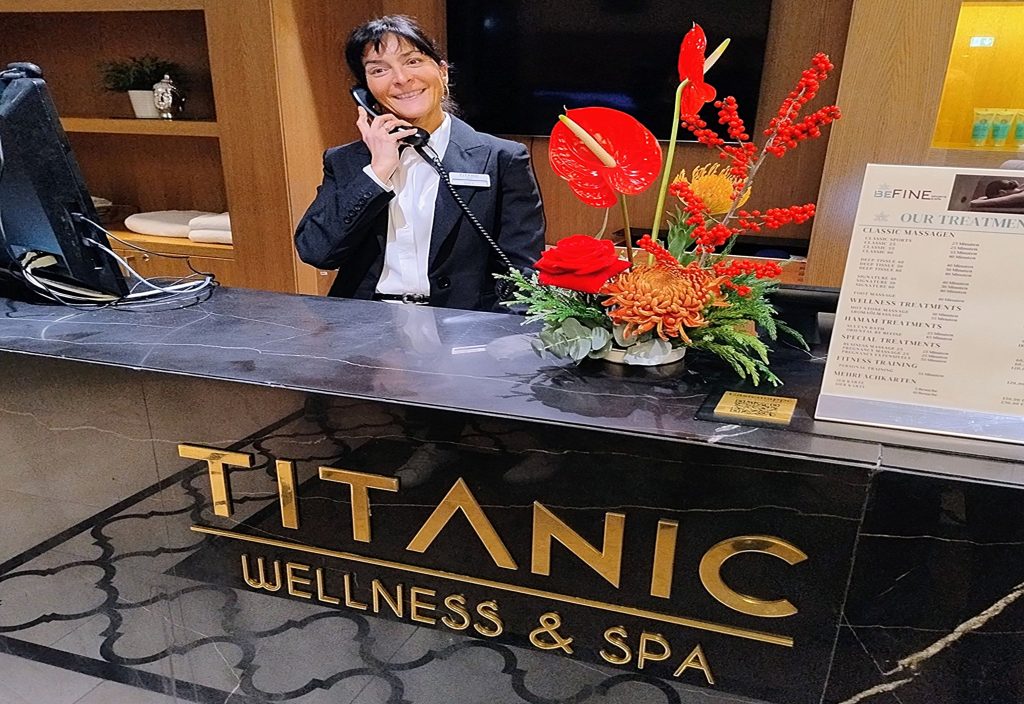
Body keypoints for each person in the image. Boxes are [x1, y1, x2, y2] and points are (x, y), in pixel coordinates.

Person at [295, 15, 545, 312]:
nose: (401, 79)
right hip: (366, 324)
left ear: (442, 72)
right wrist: (377, 172)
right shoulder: (346, 161)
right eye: (379, 70)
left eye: (412, 61)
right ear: (365, 92)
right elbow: (317, 252)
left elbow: (523, 273)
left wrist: (496, 334)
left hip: (464, 326)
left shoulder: (501, 158)